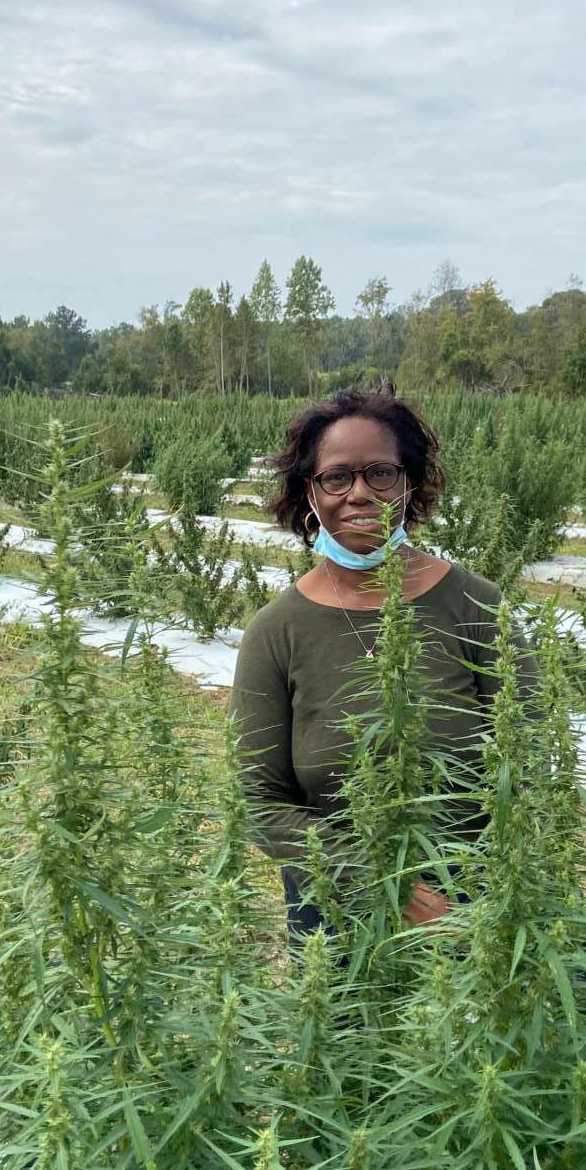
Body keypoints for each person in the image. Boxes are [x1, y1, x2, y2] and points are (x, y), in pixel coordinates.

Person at [230, 384, 517, 943]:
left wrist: (498, 891)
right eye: (336, 477)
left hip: (475, 902)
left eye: (380, 473)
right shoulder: (276, 632)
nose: (359, 493)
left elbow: (529, 762)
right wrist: (383, 883)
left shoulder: (476, 606)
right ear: (309, 493)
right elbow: (260, 803)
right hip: (337, 903)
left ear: (409, 483)